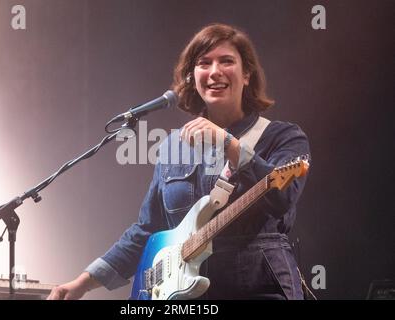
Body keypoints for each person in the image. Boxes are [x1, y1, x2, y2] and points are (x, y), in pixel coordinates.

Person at [47, 23, 310, 300]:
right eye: (204, 63)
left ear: (246, 74)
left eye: (227, 61)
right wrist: (84, 282)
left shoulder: (282, 136)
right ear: (191, 78)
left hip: (256, 286)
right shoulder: (174, 146)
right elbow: (147, 231)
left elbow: (283, 198)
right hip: (186, 295)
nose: (214, 71)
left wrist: (228, 144)